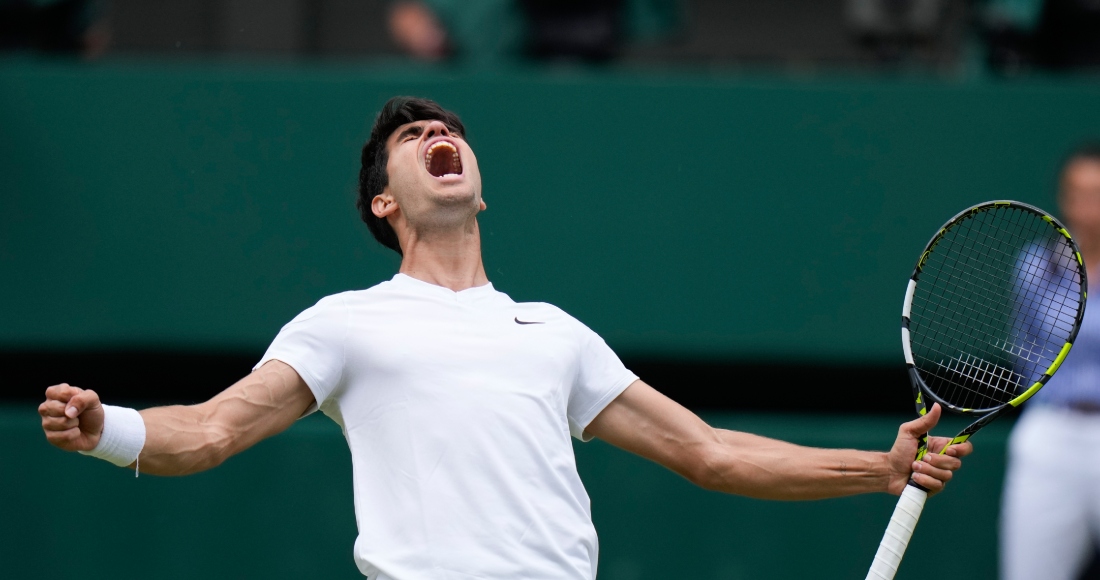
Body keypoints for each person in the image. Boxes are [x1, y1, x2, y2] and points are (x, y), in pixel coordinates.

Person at [39, 96, 972, 580]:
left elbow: (712, 452)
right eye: (413, 137)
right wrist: (106, 427)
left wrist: (877, 469)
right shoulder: (343, 324)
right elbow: (210, 431)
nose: (437, 132)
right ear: (385, 201)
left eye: (446, 128)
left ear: (478, 189)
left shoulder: (555, 335)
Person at [1001, 143, 1100, 580]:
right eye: (1077, 193)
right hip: (1051, 431)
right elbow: (1026, 349)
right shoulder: (1033, 267)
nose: (1087, 207)